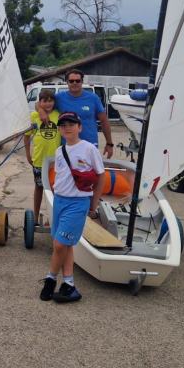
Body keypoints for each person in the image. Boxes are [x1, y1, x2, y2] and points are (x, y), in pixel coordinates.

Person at [41, 111, 105, 303]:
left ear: (80, 127)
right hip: (60, 200)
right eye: (63, 125)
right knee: (63, 244)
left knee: (60, 244)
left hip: (78, 203)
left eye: (71, 124)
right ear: (59, 129)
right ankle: (69, 284)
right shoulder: (60, 151)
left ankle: (51, 280)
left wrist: (94, 203)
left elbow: (101, 175)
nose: (67, 127)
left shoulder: (88, 149)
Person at [50, 69, 114, 159]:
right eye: (71, 81)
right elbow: (41, 104)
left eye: (78, 81)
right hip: (68, 146)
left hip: (90, 146)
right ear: (67, 82)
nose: (74, 83)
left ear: (82, 82)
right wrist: (41, 111)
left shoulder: (93, 98)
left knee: (90, 172)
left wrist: (109, 143)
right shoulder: (59, 98)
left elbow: (104, 121)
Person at [23, 88, 60, 220]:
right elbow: (26, 137)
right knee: (39, 187)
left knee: (56, 190)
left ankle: (54, 217)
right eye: (45, 101)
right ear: (40, 102)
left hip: (56, 162)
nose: (48, 104)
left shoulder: (59, 114)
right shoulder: (34, 116)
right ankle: (36, 216)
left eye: (51, 101)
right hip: (39, 160)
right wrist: (28, 154)